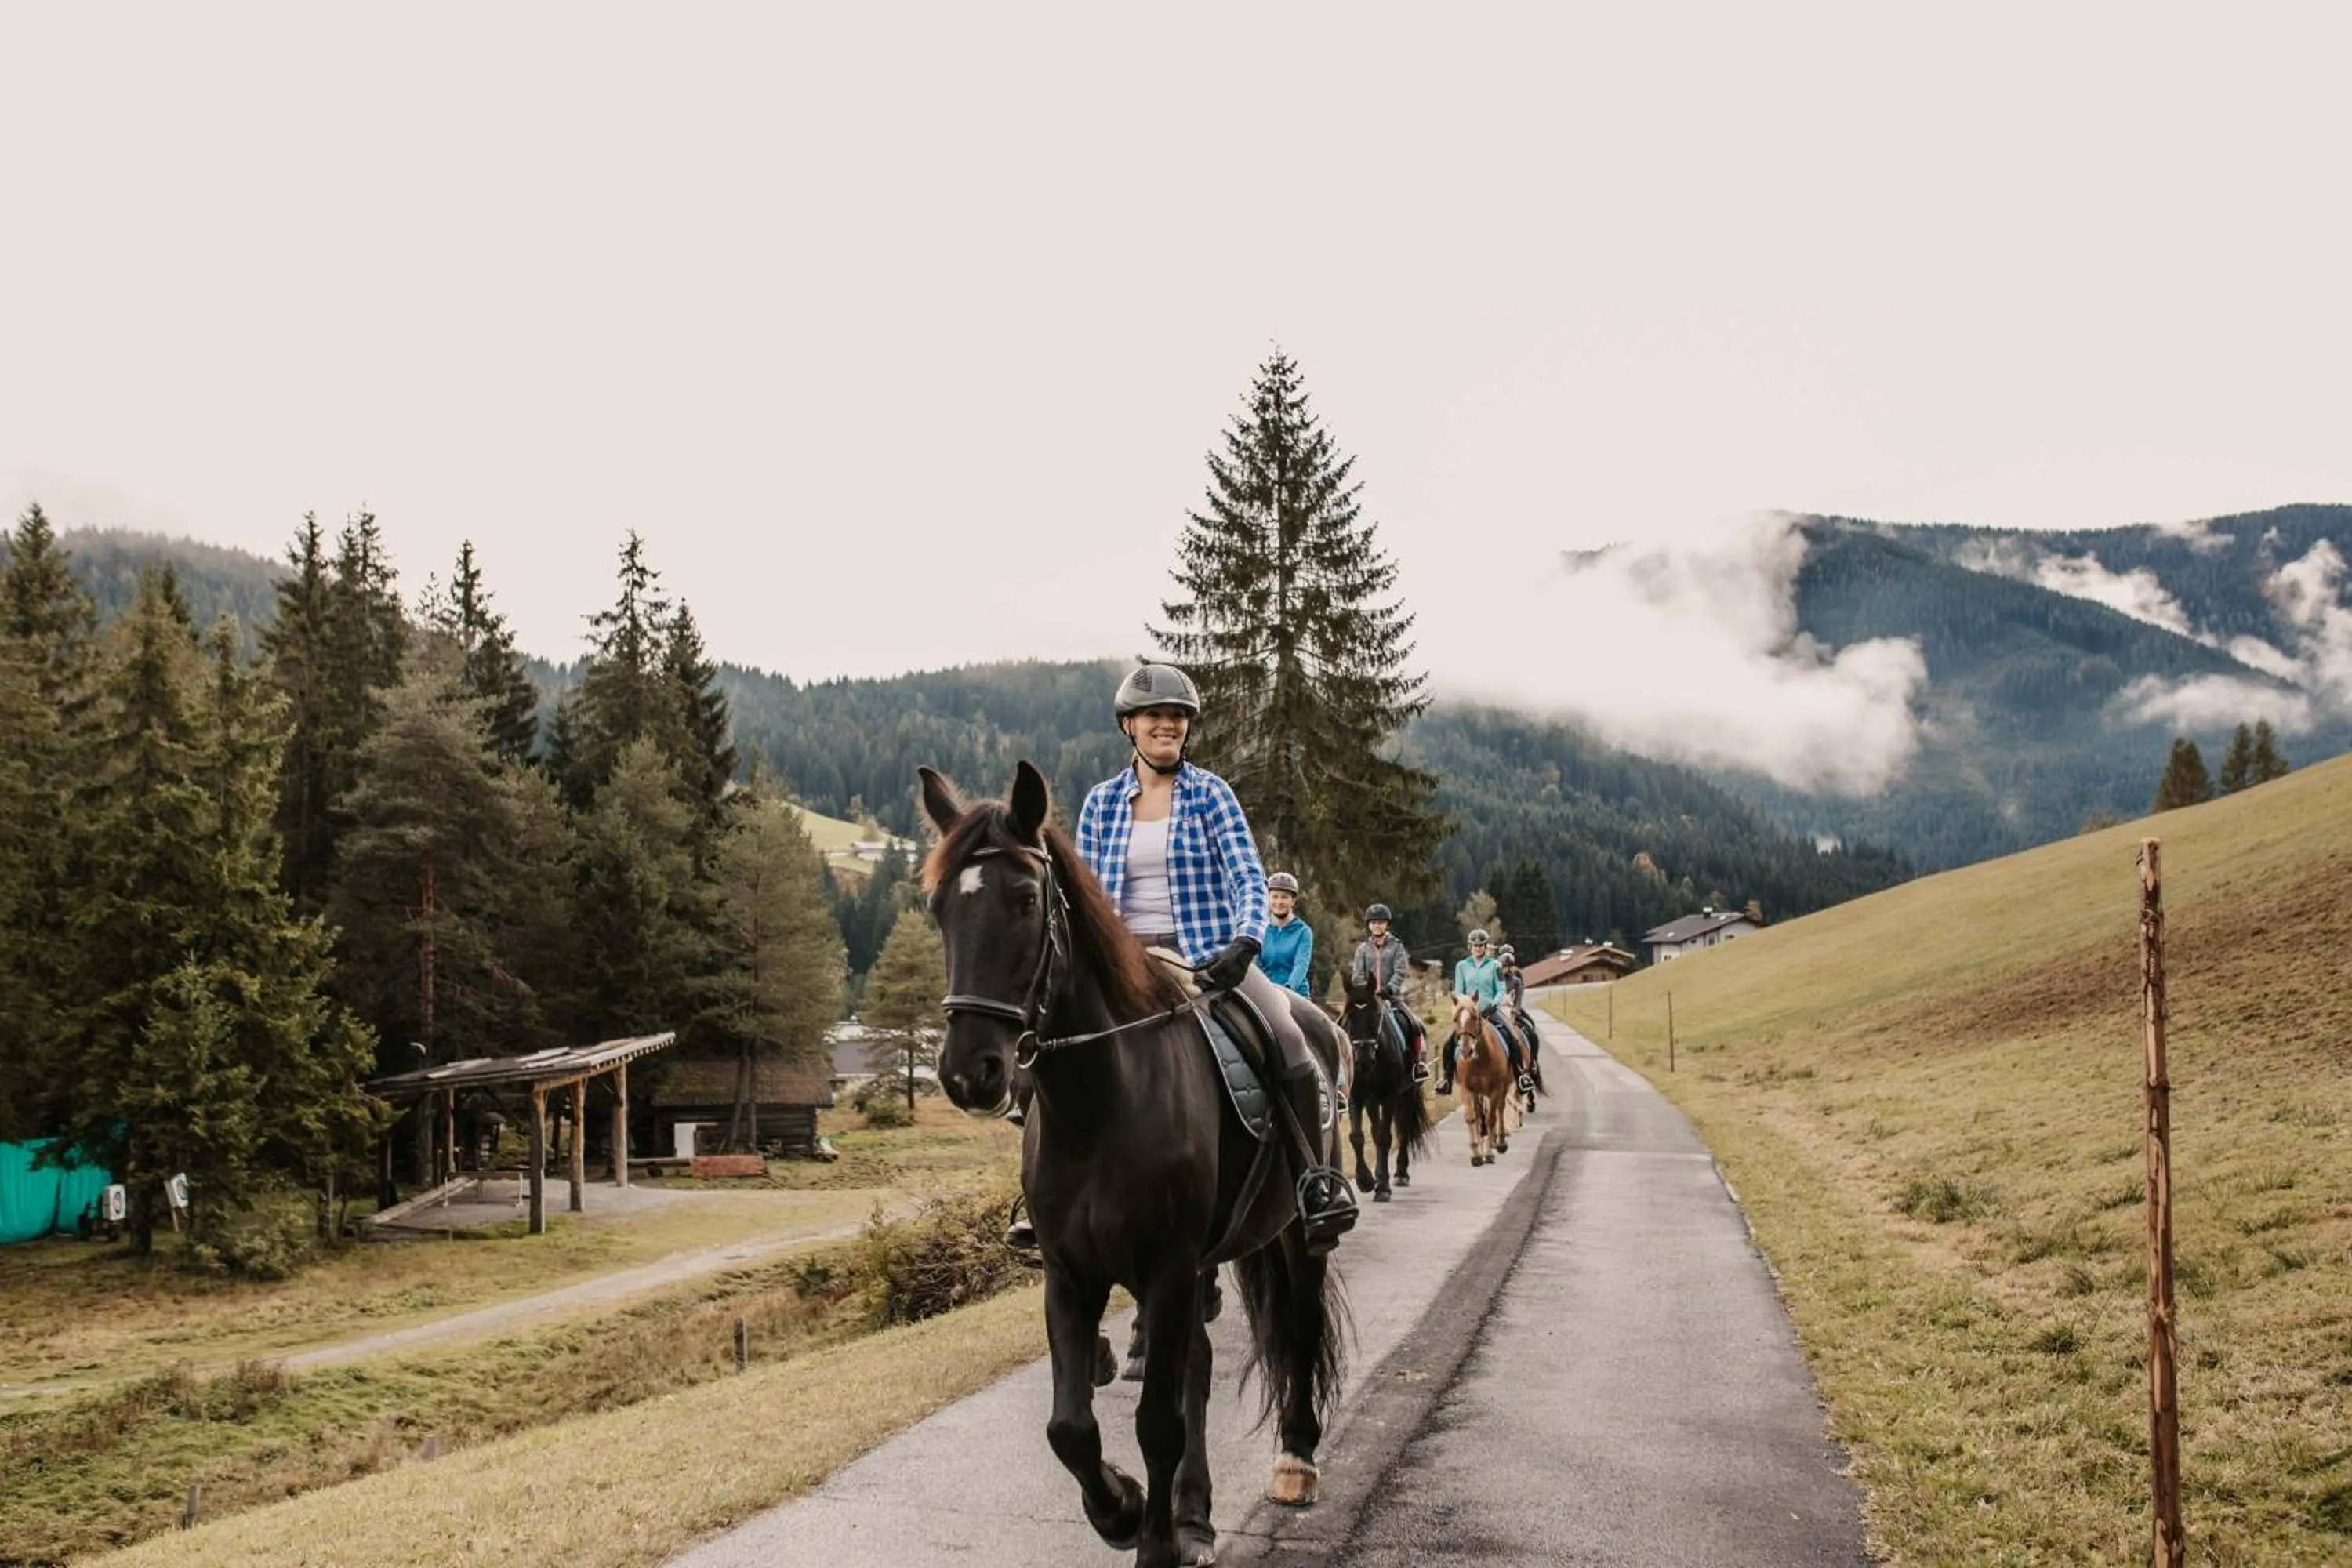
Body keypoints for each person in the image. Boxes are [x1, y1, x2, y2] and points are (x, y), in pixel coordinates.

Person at [1011, 663, 1356, 1254]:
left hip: (1206, 962)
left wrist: (1246, 941)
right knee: (1037, 1060)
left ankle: (1315, 1181)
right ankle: (1044, 1204)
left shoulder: (1210, 793)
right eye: (1154, 717)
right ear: (1130, 727)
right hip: (1122, 966)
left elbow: (1247, 875)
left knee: (1287, 1037)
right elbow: (1085, 894)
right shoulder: (1101, 804)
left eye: (1177, 717)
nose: (1166, 725)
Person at [1440, 930, 1527, 1093]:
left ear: (1486, 947)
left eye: (1481, 945)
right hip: (1469, 1013)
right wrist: (1466, 1005)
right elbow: (1459, 990)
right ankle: (1446, 1079)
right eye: (1475, 945)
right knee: (1448, 1042)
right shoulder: (1461, 966)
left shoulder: (1496, 966)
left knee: (1513, 1038)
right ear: (1470, 947)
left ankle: (1521, 1076)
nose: (1478, 948)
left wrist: (1493, 1005)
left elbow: (1501, 989)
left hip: (1490, 1011)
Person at [1350, 904, 1429, 1083]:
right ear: (1369, 925)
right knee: (1344, 1024)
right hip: (1368, 999)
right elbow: (1357, 975)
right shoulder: (1362, 949)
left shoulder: (1397, 947)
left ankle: (1418, 1064)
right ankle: (1343, 1067)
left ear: (1387, 925)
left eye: (1381, 922)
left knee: (1416, 1025)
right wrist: (1367, 990)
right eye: (1374, 922)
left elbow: (1400, 971)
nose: (1378, 926)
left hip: (1392, 998)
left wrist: (1389, 989)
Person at [1258, 872, 1314, 997]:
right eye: (1275, 896)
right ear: (1268, 898)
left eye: (1284, 897)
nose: (1279, 902)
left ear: (1293, 901)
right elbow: (1256, 965)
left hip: (1294, 994)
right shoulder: (1260, 929)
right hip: (1266, 993)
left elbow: (1301, 965)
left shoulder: (1303, 932)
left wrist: (1288, 989)